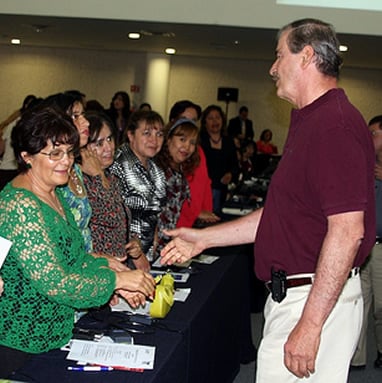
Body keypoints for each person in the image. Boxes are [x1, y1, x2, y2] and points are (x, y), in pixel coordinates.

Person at [160, 18, 375, 383]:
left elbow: (347, 231)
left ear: (306, 56)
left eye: (279, 56)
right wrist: (204, 238)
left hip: (311, 300)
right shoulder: (312, 120)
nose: (272, 67)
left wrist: (310, 323)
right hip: (298, 296)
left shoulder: (333, 125)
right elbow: (281, 215)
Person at [0, 106, 155, 378]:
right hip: (19, 344)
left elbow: (76, 258)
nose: (66, 161)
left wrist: (112, 272)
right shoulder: (20, 205)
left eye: (69, 152)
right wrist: (116, 282)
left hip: (53, 335)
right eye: (54, 153)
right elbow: (56, 283)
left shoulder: (53, 192)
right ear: (27, 157)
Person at [83, 112, 145, 268]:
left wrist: (134, 241)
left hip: (120, 267)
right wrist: (98, 176)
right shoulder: (80, 181)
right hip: (98, 270)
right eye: (99, 143)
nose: (108, 147)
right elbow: (109, 214)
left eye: (109, 139)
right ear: (83, 149)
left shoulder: (112, 177)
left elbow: (121, 220)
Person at [42, 92, 98, 252]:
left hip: (86, 263)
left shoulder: (76, 169)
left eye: (83, 115)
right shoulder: (52, 173)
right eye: (75, 116)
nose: (86, 123)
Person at [110, 110, 166, 265]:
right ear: (131, 135)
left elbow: (155, 211)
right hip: (124, 256)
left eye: (159, 134)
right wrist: (137, 256)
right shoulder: (118, 164)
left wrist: (154, 241)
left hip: (149, 253)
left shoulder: (156, 169)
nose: (154, 140)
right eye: (147, 133)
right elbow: (115, 218)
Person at [351, 115, 382, 370]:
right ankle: (356, 356)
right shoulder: (362, 161)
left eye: (374, 133)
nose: (369, 137)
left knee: (381, 307)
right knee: (358, 303)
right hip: (363, 245)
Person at [168, 100, 219, 227]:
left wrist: (207, 213)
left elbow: (205, 182)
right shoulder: (163, 165)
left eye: (193, 120)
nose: (188, 124)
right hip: (175, 227)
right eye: (184, 119)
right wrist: (196, 213)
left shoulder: (196, 151)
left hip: (193, 223)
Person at [155, 118, 199, 256]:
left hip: (167, 244)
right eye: (182, 139)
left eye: (192, 143)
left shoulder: (179, 172)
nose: (187, 147)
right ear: (168, 140)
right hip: (151, 246)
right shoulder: (157, 170)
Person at [200, 104, 239, 214]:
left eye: (218, 117)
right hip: (203, 190)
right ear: (204, 122)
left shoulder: (228, 141)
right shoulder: (199, 140)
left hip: (222, 190)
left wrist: (230, 174)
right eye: (210, 118)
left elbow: (235, 165)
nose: (215, 121)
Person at [0, 95, 37, 190]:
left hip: (5, 169)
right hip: (16, 170)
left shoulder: (12, 124)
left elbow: (1, 149)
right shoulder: (29, 126)